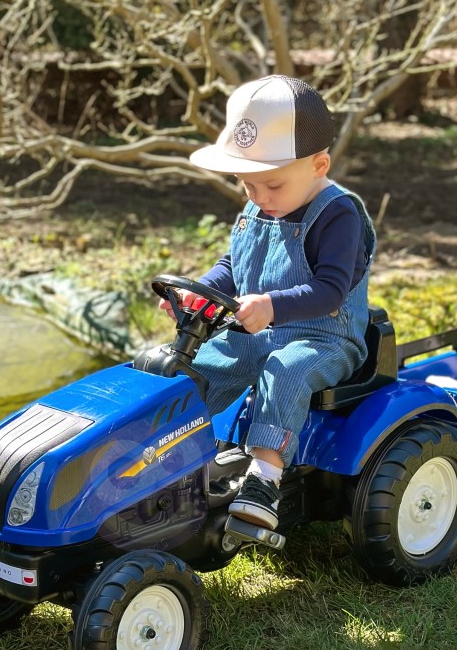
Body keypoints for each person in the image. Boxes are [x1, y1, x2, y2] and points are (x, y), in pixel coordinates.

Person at [159, 75, 375, 531]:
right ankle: (169, 457)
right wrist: (201, 289)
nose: (259, 198)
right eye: (247, 186)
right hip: (256, 330)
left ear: (318, 165)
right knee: (201, 367)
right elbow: (233, 265)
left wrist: (272, 306)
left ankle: (264, 478)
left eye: (272, 185)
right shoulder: (261, 206)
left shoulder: (338, 214)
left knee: (285, 370)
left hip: (323, 338)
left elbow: (331, 288)